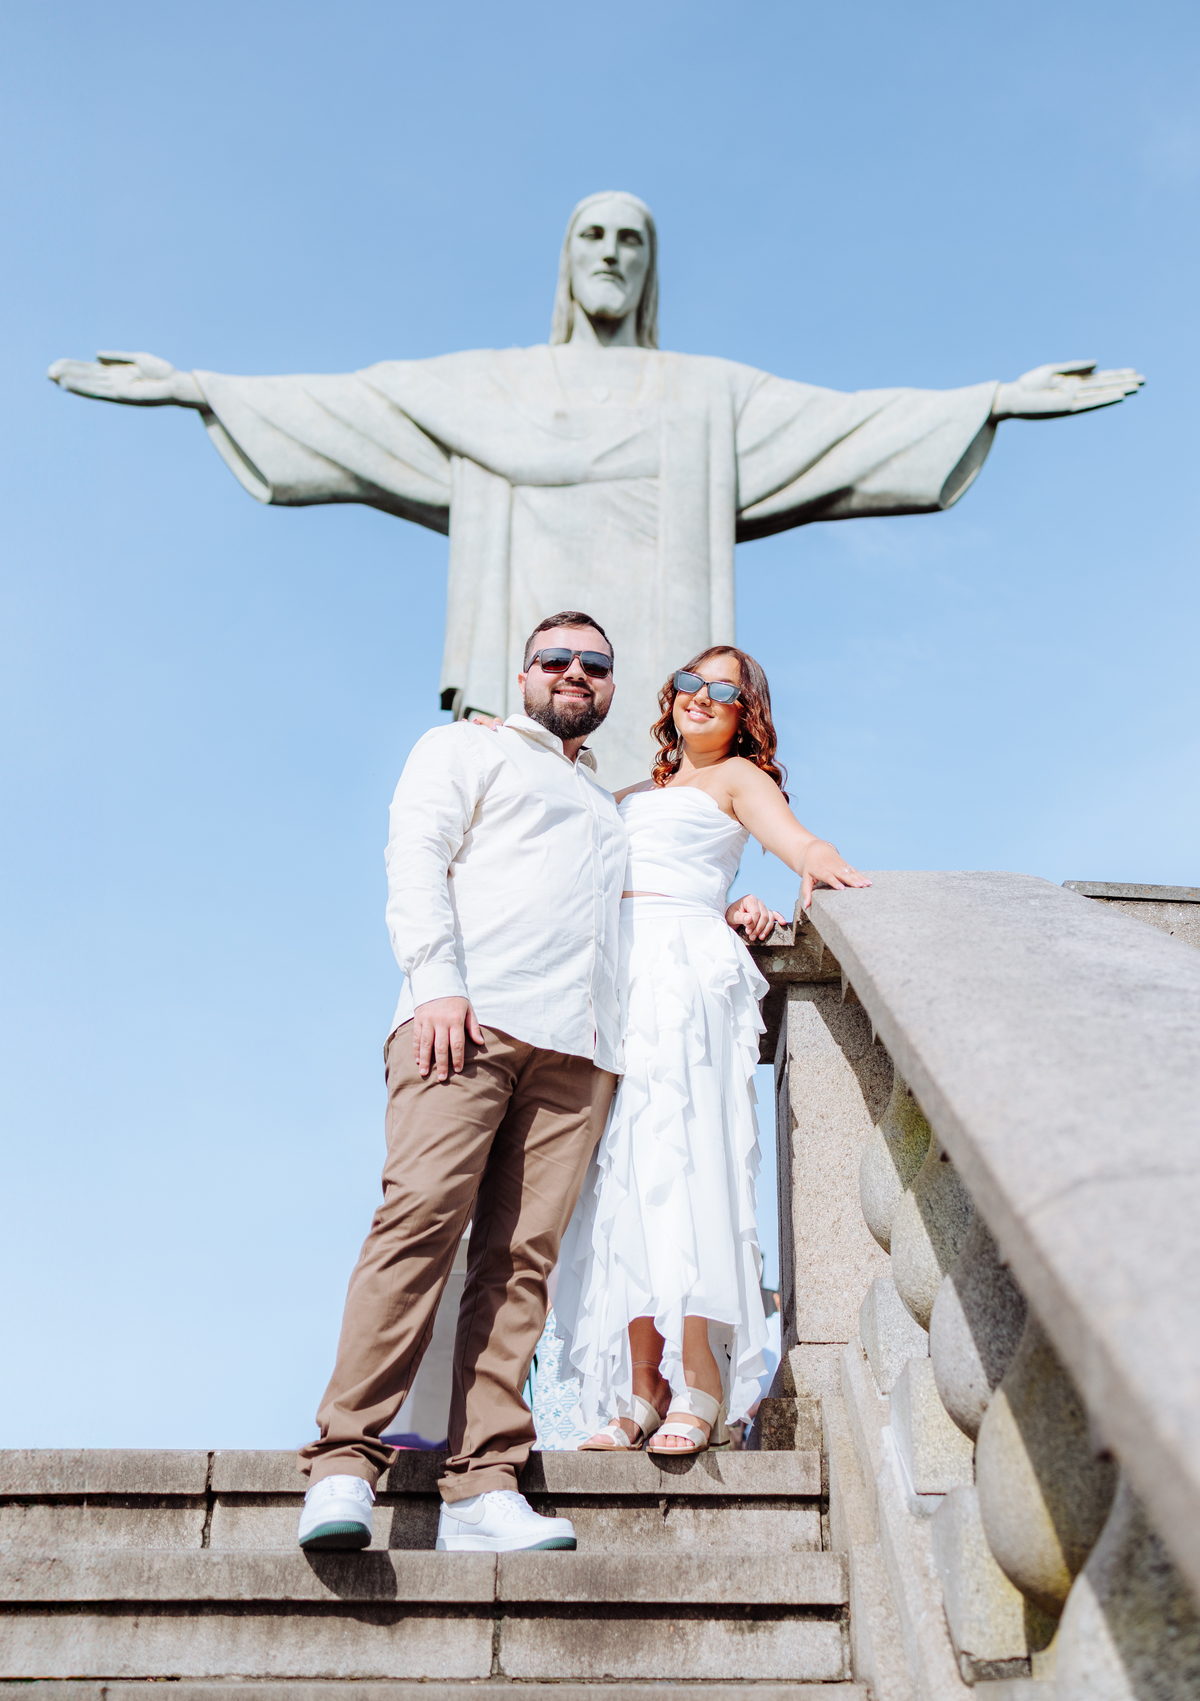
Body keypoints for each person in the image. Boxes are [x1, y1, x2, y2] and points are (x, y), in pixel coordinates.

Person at [296, 612, 626, 1554]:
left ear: (608, 689)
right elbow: (416, 857)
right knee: (419, 1224)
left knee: (520, 1264)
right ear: (523, 675)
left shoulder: (609, 805)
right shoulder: (461, 749)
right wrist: (436, 980)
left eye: (594, 665)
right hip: (467, 1023)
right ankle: (343, 1464)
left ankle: (483, 1486)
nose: (575, 673)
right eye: (556, 659)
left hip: (577, 1052)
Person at [553, 647, 869, 1455]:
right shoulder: (629, 794)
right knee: (621, 1181)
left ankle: (701, 1382)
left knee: (687, 1166)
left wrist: (813, 867)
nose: (700, 695)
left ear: (745, 710)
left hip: (683, 983)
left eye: (721, 688)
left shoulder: (737, 779)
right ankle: (640, 1389)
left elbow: (796, 841)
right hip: (618, 988)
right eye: (689, 682)